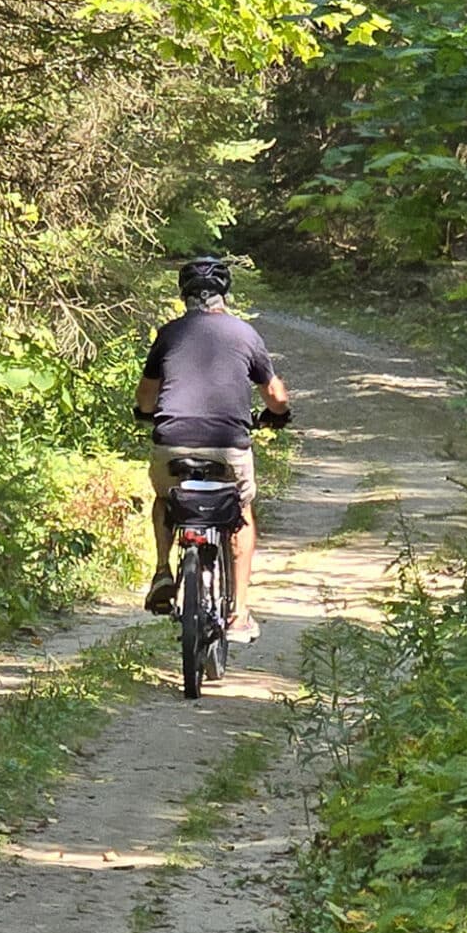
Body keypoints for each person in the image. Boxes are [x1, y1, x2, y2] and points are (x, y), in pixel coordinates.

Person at [134, 256, 291, 643]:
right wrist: (279, 416)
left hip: (173, 442)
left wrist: (143, 413)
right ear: (224, 292)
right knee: (240, 512)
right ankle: (238, 613)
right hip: (227, 447)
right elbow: (275, 396)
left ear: (184, 294)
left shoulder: (170, 334)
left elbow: (146, 397)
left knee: (164, 496)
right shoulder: (245, 334)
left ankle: (162, 572)